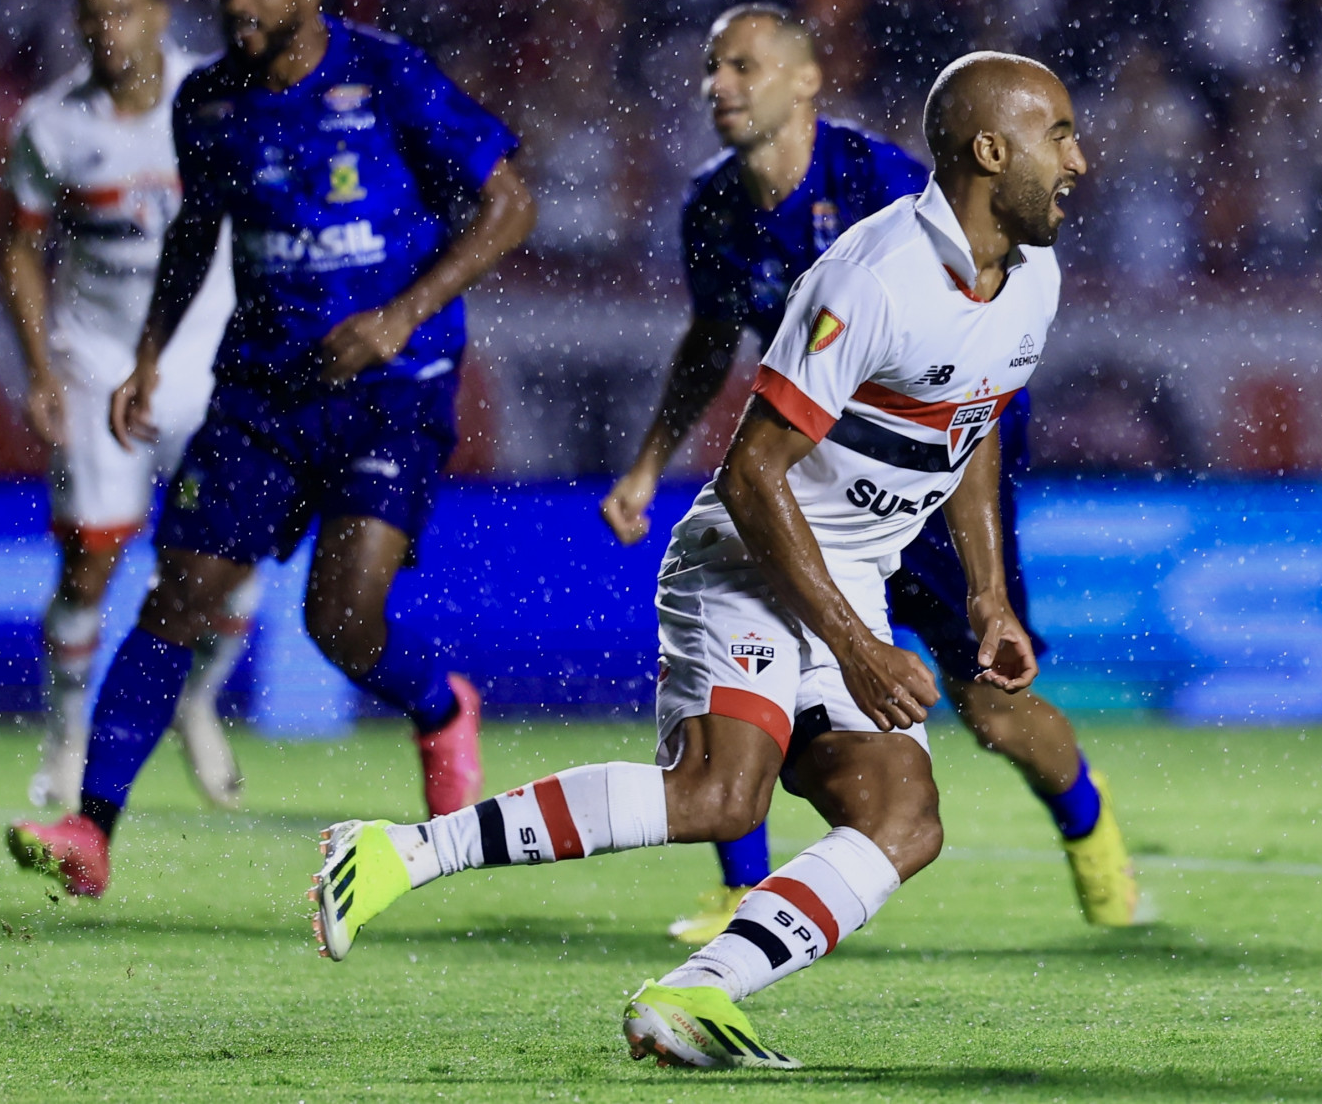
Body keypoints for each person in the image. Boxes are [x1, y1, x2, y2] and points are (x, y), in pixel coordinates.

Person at [310, 52, 1085, 1070]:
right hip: (752, 556)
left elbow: (973, 421)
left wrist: (986, 597)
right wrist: (856, 646)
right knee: (721, 797)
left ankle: (695, 994)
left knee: (903, 818)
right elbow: (755, 473)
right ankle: (393, 851)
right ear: (992, 150)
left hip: (846, 573)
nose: (1079, 158)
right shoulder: (873, 277)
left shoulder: (1031, 277)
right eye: (1060, 134)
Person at [6, 0, 535, 900]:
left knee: (343, 620)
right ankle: (90, 828)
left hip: (391, 389)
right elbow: (196, 231)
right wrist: (152, 353)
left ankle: (437, 706)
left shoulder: (386, 75)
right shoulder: (207, 102)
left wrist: (399, 315)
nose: (239, 3)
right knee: (177, 597)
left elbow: (511, 205)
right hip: (260, 394)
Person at [601, 4, 1143, 940]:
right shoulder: (712, 208)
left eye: (744, 66)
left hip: (928, 477)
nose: (717, 85)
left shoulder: (883, 189)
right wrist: (649, 464)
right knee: (752, 666)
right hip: (808, 489)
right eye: (711, 67)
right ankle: (743, 888)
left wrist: (983, 589)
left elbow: (978, 379)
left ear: (805, 81)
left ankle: (1094, 843)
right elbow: (709, 343)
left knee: (995, 713)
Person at [0, 0, 259, 813]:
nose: (109, 30)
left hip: (209, 354)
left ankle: (195, 701)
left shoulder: (218, 97)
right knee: (90, 564)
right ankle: (68, 734)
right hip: (97, 358)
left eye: (124, 11)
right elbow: (22, 253)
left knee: (230, 565)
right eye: (94, 15)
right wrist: (39, 369)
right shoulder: (52, 126)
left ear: (159, 14)